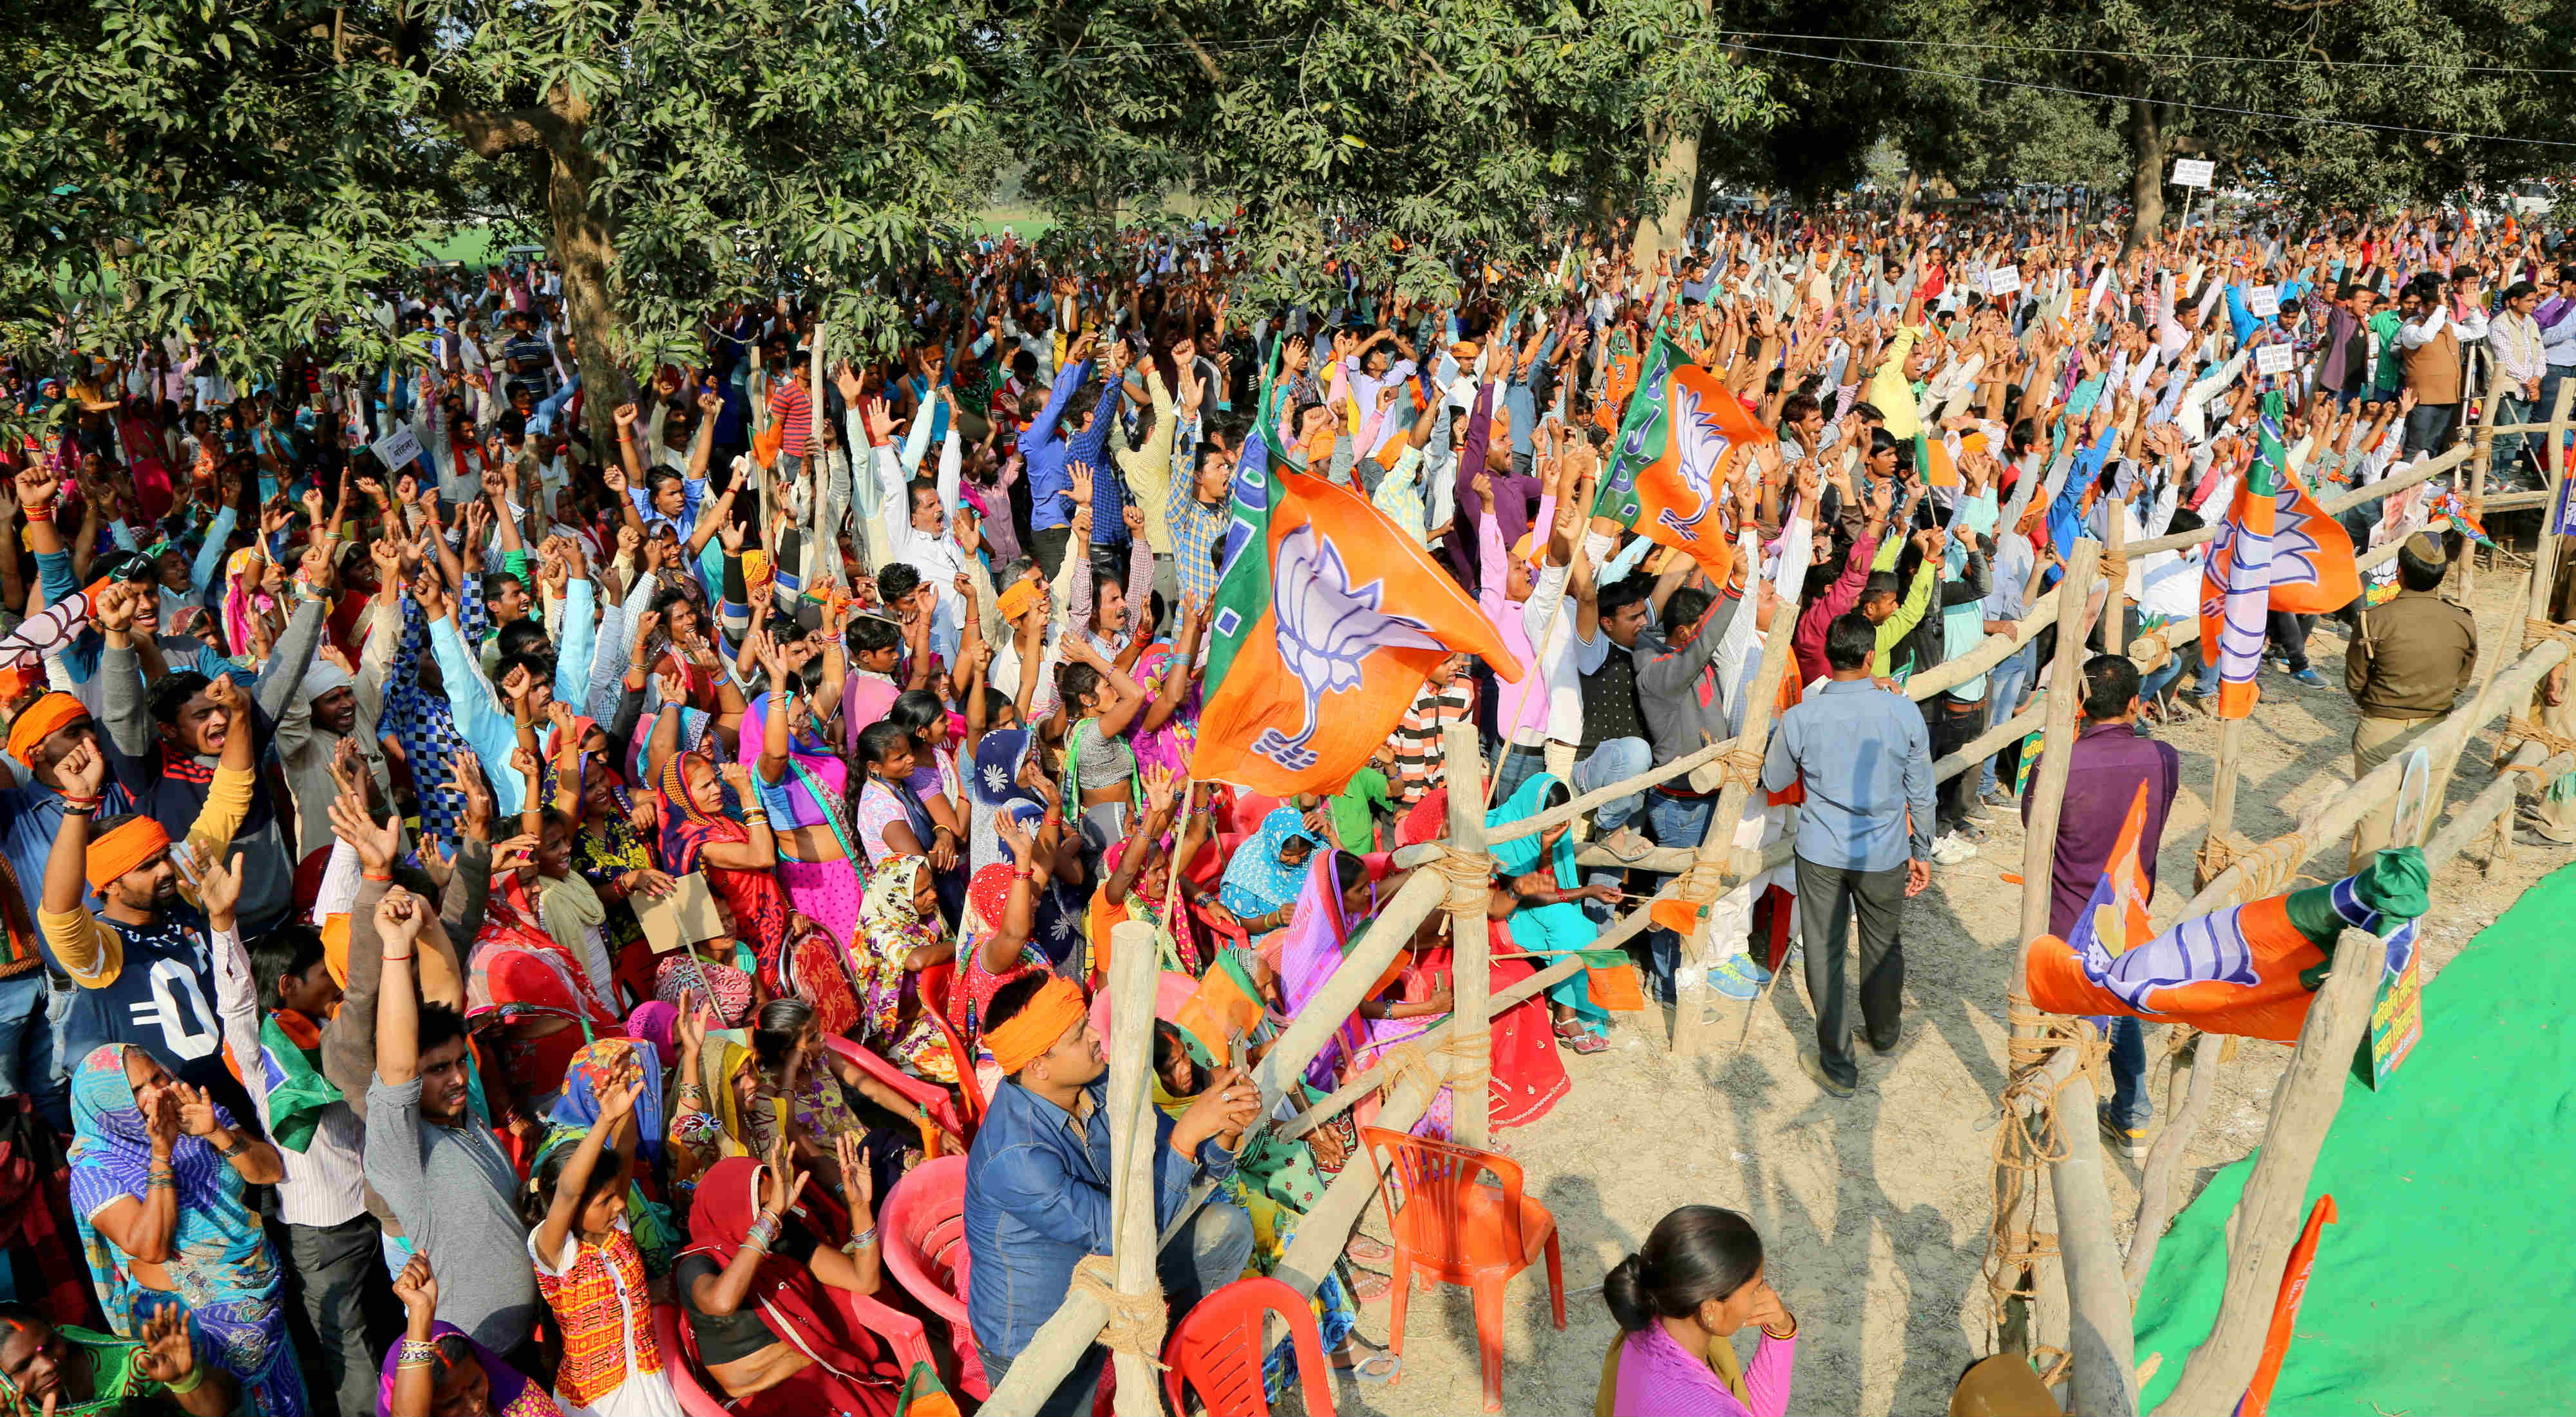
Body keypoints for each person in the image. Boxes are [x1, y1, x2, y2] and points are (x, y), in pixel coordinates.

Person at [961, 971, 1258, 1416]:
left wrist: (1226, 1132)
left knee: (1227, 1230)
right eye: (1080, 1033)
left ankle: (1170, 1377)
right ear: (1039, 1065)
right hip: (1039, 1330)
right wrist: (1189, 1137)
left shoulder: (1098, 1083)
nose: (1097, 1036)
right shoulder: (1015, 1156)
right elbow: (1124, 1235)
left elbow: (1175, 1158)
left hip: (1109, 1272)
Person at [64, 1035, 300, 1416]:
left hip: (259, 1297)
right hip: (187, 1319)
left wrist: (217, 1133)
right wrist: (161, 1154)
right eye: (136, 1091)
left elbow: (268, 1171)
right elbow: (150, 1246)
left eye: (157, 1077)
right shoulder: (95, 1169)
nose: (156, 1094)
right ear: (106, 1108)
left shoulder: (197, 1113)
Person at [365, 887, 544, 1367]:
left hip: (521, 1344)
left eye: (459, 1063)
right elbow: (400, 1066)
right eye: (439, 1069)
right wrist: (396, 947)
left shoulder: (463, 1113)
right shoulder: (403, 1147)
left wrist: (426, 921)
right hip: (472, 1364)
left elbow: (447, 996)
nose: (459, 1077)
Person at [1761, 612, 1933, 1098]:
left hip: (1821, 850)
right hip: (1884, 850)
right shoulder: (1902, 711)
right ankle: (1883, 1032)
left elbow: (1773, 781)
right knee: (1882, 942)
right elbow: (1921, 792)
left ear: (1830, 657)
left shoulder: (1802, 716)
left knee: (1825, 950)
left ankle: (1837, 1065)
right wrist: (1922, 849)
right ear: (1870, 658)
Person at [2029, 656, 2181, 1159]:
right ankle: (2132, 1116)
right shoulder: (2164, 757)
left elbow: (2037, 827)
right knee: (2124, 1004)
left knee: (2071, 1025)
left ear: (2080, 703)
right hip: (2128, 909)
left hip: (2070, 915)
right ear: (2136, 703)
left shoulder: (2058, 763)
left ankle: (2059, 1120)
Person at [671, 1147, 904, 1415]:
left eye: (778, 1209)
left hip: (824, 1373)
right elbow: (722, 1302)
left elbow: (865, 1281)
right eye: (766, 1210)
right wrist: (768, 1220)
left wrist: (860, 1207)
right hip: (761, 1403)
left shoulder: (780, 1238)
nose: (777, 1220)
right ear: (733, 1211)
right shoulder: (697, 1263)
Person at [523, 1063, 683, 1417]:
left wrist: (619, 1111)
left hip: (649, 1384)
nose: (621, 1204)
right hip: (599, 1404)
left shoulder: (617, 1233)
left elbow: (625, 1156)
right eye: (605, 1200)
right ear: (572, 1210)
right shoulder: (555, 1252)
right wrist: (603, 1123)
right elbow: (567, 1190)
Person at [2347, 532, 2477, 862]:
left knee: (2372, 823)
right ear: (2442, 575)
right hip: (2436, 728)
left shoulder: (2372, 619)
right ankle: (2409, 902)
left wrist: (2378, 703)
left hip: (2380, 728)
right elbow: (2461, 682)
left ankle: (2363, 905)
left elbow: (2355, 681)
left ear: (2399, 572)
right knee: (2422, 824)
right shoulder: (2462, 621)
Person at [1598, 1206, 1797, 1417]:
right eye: (1754, 1289)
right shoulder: (1707, 1410)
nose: (1763, 1295)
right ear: (1710, 1309)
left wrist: (1781, 1331)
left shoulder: (1644, 1322)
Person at [381, 1254, 561, 1417]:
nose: (475, 1406)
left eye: (476, 1384)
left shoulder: (524, 1405)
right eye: (452, 1402)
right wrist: (420, 1312)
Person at [0, 1300, 239, 1417]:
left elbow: (220, 1408)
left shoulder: (135, 1364)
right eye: (23, 1366)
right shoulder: (7, 1410)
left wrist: (186, 1380)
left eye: (50, 1344)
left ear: (56, 1330)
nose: (48, 1365)